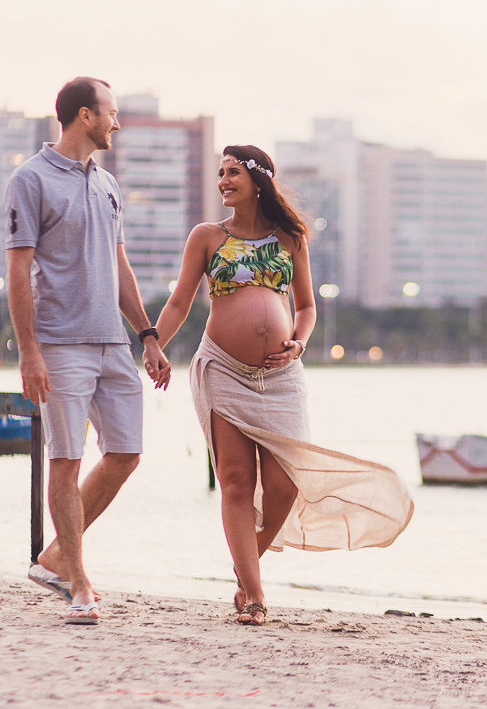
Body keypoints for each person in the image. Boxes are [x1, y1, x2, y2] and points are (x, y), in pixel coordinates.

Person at [149, 145, 413, 626]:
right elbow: (180, 302)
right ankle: (254, 595)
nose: (223, 180)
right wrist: (154, 344)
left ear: (257, 180)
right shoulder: (207, 237)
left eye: (233, 173)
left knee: (284, 486)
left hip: (282, 376)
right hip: (224, 370)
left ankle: (245, 564)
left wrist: (300, 343)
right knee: (235, 481)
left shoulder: (290, 237)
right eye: (220, 173)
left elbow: (307, 307)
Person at [5, 77, 171, 626]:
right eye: (111, 113)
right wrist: (30, 352)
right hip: (59, 344)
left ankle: (54, 558)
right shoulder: (29, 180)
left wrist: (147, 336)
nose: (117, 123)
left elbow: (119, 266)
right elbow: (18, 271)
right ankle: (78, 582)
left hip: (112, 345)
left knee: (126, 453)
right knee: (66, 459)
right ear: (84, 116)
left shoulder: (107, 184)